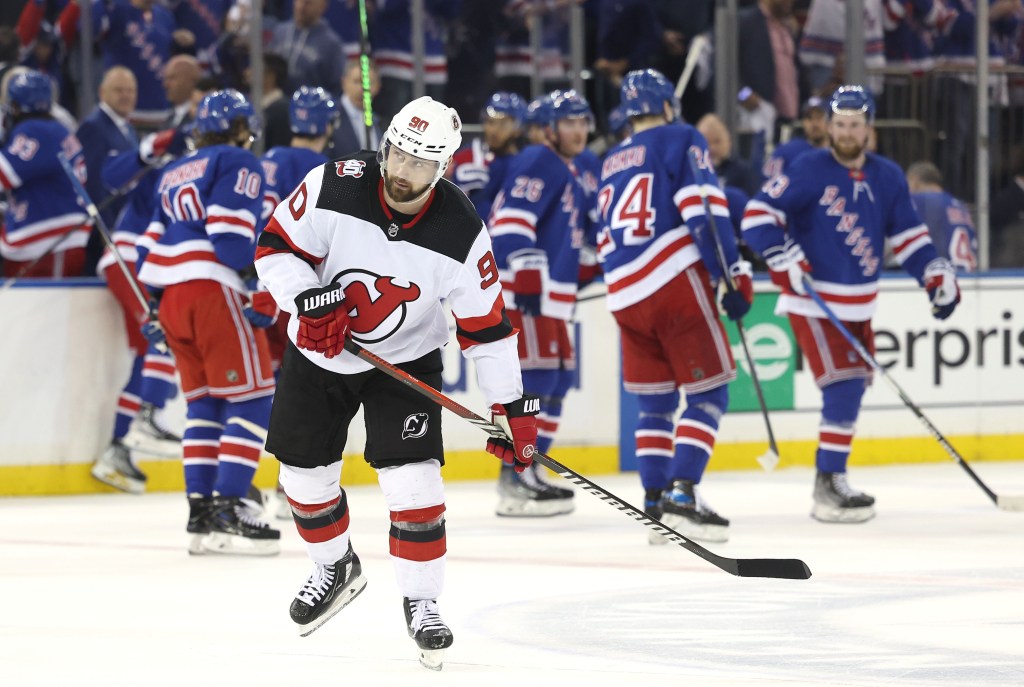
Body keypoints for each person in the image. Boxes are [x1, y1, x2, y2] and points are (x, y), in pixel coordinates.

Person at [253, 95, 537, 670]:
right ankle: (335, 565)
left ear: (445, 167)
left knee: (414, 485)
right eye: (398, 156)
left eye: (421, 164)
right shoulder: (336, 182)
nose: (403, 173)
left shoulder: (461, 230)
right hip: (321, 350)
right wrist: (307, 300)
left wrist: (509, 404)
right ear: (385, 147)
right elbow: (275, 249)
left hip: (405, 361)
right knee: (302, 479)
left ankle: (423, 602)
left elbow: (488, 329)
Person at [742, 85, 961, 523]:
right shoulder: (808, 168)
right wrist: (781, 255)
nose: (845, 133)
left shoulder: (888, 176)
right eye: (838, 125)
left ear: (869, 127)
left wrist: (934, 272)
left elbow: (910, 237)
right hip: (815, 303)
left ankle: (833, 478)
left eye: (854, 125)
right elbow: (756, 216)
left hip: (860, 306)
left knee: (854, 386)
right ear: (829, 125)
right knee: (843, 384)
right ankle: (828, 483)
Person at [595, 68, 752, 544]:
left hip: (623, 294)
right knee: (710, 393)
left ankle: (654, 506)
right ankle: (683, 496)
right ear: (667, 107)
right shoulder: (682, 136)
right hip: (672, 281)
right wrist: (733, 274)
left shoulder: (609, 160)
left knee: (655, 406)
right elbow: (705, 210)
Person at [136, 89, 281, 554]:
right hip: (213, 290)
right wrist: (261, 284)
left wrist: (156, 304)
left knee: (205, 405)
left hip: (174, 297)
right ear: (240, 128)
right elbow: (229, 237)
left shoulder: (174, 170)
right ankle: (230, 505)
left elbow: (148, 244)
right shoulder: (239, 161)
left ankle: (201, 511)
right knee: (254, 398)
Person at [487, 90, 597, 517]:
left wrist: (584, 265)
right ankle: (514, 479)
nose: (579, 131)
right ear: (547, 129)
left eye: (584, 122)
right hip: (522, 292)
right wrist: (529, 267)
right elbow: (511, 222)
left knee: (558, 381)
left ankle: (530, 468)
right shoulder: (538, 160)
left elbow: (564, 230)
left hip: (549, 296)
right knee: (532, 385)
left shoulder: (565, 167)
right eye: (569, 122)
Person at [0, 69, 89, 278]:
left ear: (15, 106)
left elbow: (3, 175)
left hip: (50, 241)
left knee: (44, 308)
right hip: (54, 236)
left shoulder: (35, 131)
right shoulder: (55, 129)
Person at [447, 91, 526, 224]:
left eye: (503, 124)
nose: (494, 130)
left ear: (518, 128)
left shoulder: (525, 164)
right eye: (490, 122)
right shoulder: (467, 155)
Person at [906, 161, 978, 272]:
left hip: (945, 275)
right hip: (970, 273)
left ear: (914, 180)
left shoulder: (921, 200)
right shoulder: (960, 206)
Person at [762, 96, 829, 182]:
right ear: (803, 122)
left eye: (819, 117)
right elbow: (768, 183)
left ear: (829, 121)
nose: (814, 123)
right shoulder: (787, 151)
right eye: (809, 118)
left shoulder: (839, 153)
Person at [329, 59, 382, 157]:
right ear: (344, 83)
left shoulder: (382, 123)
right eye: (357, 82)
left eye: (368, 83)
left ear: (378, 87)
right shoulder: (329, 117)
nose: (362, 89)